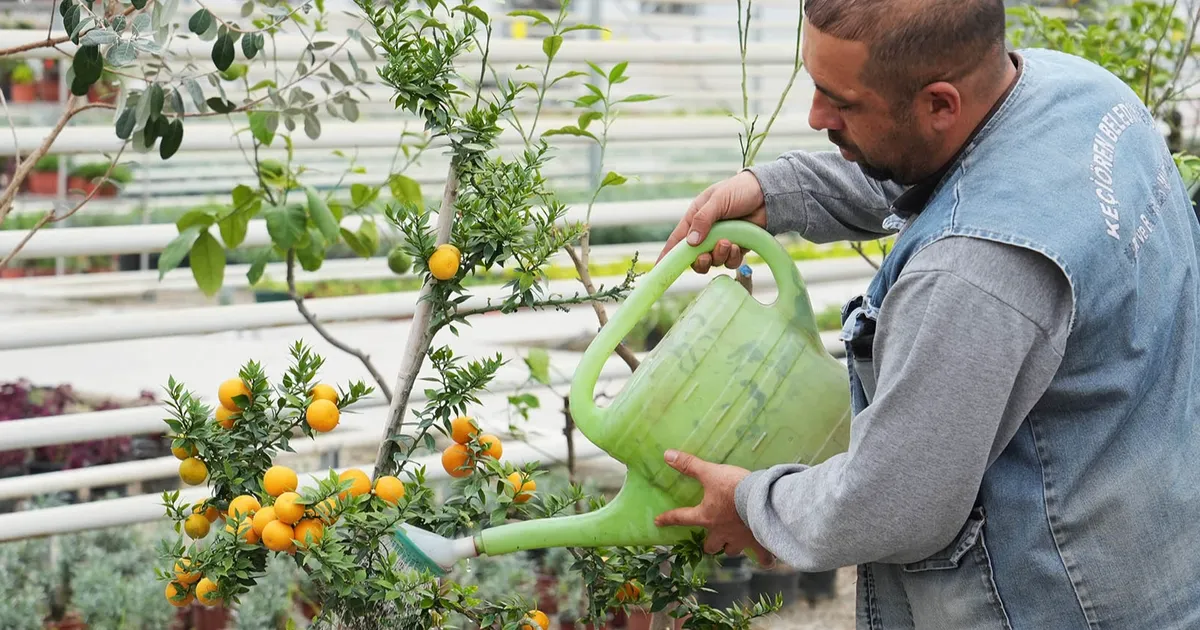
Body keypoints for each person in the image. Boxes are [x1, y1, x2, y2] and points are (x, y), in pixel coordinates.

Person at [651, 1, 1200, 628]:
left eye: (842, 102)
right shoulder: (1081, 94)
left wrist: (750, 502)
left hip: (1056, 603)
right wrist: (778, 193)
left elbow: (890, 503)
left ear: (941, 103)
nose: (815, 116)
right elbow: (946, 165)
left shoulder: (971, 275)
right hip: (1158, 552)